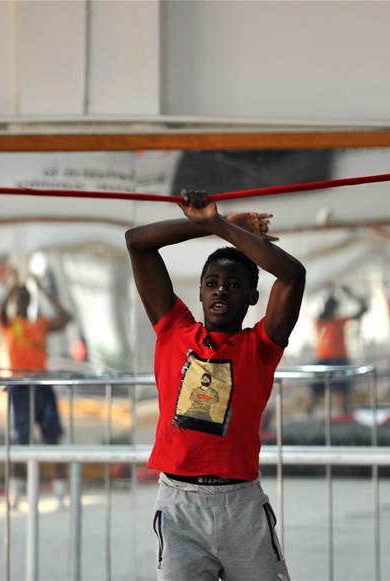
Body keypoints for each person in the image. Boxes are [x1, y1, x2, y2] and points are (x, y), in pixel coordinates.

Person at [126, 190, 304, 580]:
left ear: (252, 297)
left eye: (234, 284)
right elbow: (137, 242)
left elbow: (294, 276)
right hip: (178, 505)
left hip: (240, 505)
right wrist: (203, 224)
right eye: (212, 282)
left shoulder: (260, 345)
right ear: (201, 292)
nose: (221, 289)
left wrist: (222, 226)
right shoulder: (174, 329)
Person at [0, 275, 71, 507]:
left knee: (52, 437)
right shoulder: (9, 324)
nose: (21, 301)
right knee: (20, 439)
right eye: (18, 298)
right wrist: (11, 290)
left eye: (25, 297)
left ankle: (61, 490)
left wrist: (43, 291)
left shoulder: (40, 323)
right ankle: (16, 492)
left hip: (41, 386)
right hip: (20, 387)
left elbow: (66, 318)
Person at [306, 286, 368, 417]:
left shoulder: (338, 321)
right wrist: (329, 292)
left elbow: (363, 309)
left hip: (339, 359)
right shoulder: (320, 321)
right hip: (325, 359)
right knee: (316, 391)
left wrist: (350, 294)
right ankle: (309, 417)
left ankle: (342, 417)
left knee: (341, 392)